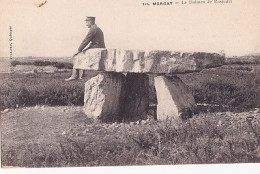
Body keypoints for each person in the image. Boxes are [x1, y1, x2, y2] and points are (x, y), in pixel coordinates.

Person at [65, 16, 106, 81]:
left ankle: (74, 76)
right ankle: (81, 76)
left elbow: (86, 40)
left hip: (96, 48)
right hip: (98, 47)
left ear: (91, 22)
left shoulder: (93, 29)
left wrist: (78, 50)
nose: (86, 23)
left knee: (77, 56)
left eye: (87, 22)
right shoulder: (97, 28)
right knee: (81, 55)